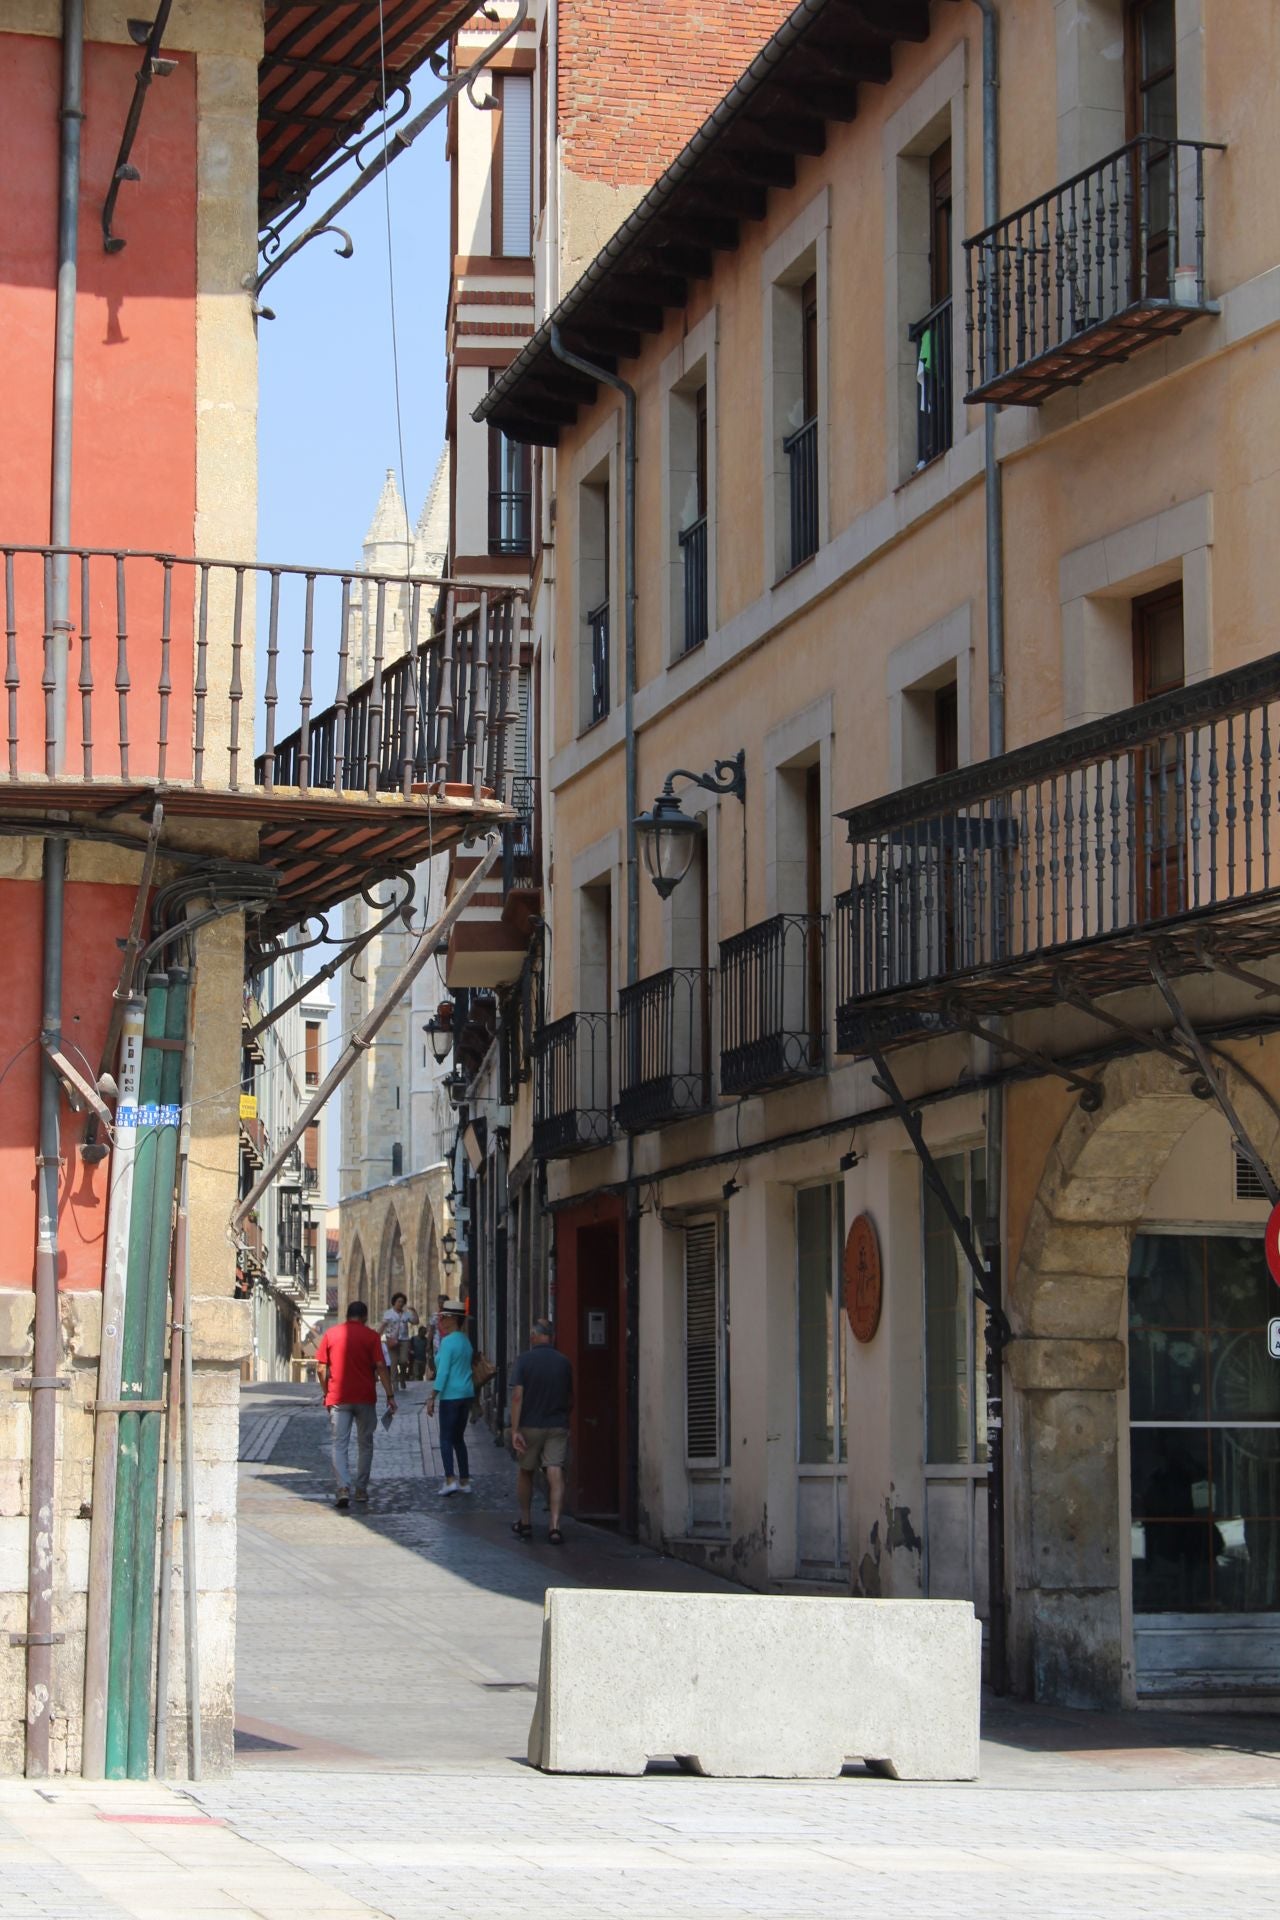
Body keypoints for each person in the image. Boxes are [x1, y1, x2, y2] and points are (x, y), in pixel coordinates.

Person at [315, 1300, 396, 1509]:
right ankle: (361, 1489)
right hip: (365, 1397)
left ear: (347, 1316)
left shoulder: (331, 1335)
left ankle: (342, 1487)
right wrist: (390, 1394)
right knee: (365, 1444)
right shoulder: (371, 1337)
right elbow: (380, 1366)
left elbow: (321, 1369)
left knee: (339, 1444)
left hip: (339, 1399)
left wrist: (326, 1392)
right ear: (365, 1317)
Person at [509, 1317, 573, 1545]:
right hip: (557, 1425)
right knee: (555, 1472)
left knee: (526, 1471)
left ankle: (525, 1522)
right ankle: (554, 1526)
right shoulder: (564, 1362)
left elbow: (517, 1396)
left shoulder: (524, 1361)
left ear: (534, 1336)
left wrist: (515, 1429)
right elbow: (569, 1396)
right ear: (552, 1337)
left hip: (530, 1426)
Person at [426, 1299, 474, 1495]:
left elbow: (443, 1372)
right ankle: (464, 1480)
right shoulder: (465, 1340)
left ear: (453, 1319)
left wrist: (432, 1396)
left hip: (451, 1396)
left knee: (445, 1438)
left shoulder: (448, 1342)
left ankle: (449, 1479)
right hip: (467, 1394)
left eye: (443, 1317)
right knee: (458, 1439)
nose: (441, 1322)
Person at [379, 1292, 419, 1389]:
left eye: (402, 1302)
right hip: (391, 1340)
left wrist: (414, 1312)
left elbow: (415, 1322)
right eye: (399, 1301)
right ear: (394, 1302)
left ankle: (402, 1377)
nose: (400, 1303)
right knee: (393, 1362)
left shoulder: (406, 1314)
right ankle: (394, 1383)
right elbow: (383, 1326)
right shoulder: (388, 1313)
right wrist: (377, 1336)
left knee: (404, 1360)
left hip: (404, 1340)